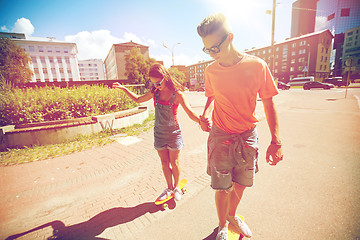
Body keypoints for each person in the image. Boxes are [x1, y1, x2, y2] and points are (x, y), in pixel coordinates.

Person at [197, 13, 283, 240]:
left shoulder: (257, 66)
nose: (213, 54)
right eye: (208, 50)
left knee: (241, 184)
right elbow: (211, 96)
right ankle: (222, 226)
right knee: (222, 187)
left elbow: (268, 102)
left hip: (247, 136)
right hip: (220, 136)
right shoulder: (211, 71)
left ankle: (232, 215)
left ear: (231, 37)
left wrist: (276, 141)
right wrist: (205, 114)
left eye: (216, 47)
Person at [113, 63, 202, 201]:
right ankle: (169, 188)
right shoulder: (155, 93)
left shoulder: (177, 94)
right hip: (159, 133)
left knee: (175, 163)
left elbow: (190, 113)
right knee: (164, 163)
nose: (156, 86)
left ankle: (176, 187)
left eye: (158, 83)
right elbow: (137, 99)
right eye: (153, 83)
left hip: (173, 134)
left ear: (165, 77)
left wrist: (201, 121)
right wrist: (124, 89)